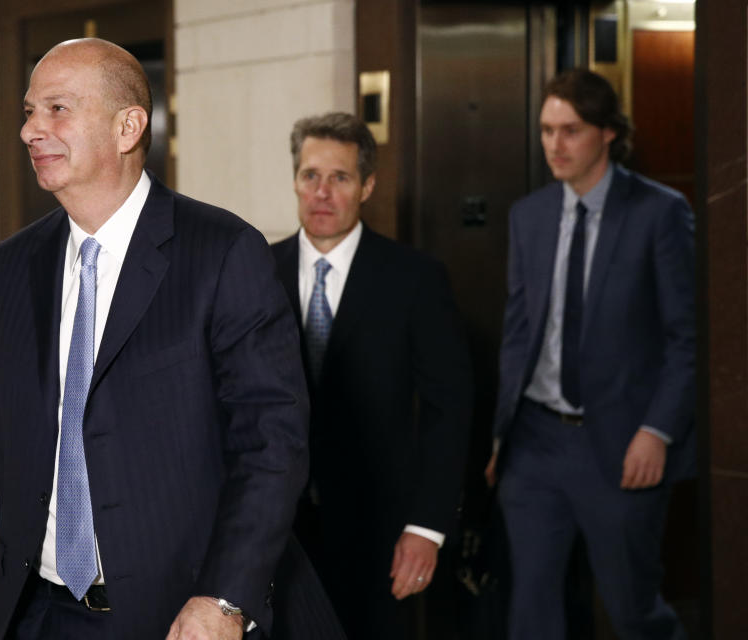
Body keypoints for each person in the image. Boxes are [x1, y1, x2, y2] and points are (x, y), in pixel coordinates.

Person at [0, 38, 333, 640]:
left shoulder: (222, 254)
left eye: (57, 109)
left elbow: (271, 445)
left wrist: (225, 600)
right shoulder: (13, 267)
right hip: (36, 614)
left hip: (178, 615)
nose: (30, 131)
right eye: (28, 112)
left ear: (128, 126)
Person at [486, 68, 695, 639]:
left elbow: (688, 337)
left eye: (570, 130)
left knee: (633, 611)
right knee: (529, 613)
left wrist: (658, 429)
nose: (555, 144)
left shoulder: (660, 212)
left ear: (607, 133)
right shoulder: (527, 216)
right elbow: (518, 333)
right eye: (546, 130)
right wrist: (502, 435)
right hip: (533, 444)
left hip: (623, 443)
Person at [271, 112, 473, 638]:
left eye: (339, 177)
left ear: (367, 186)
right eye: (310, 175)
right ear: (294, 179)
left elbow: (447, 411)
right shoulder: (255, 272)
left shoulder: (415, 279)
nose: (322, 191)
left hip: (379, 529)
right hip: (275, 529)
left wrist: (426, 527)